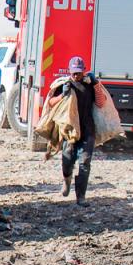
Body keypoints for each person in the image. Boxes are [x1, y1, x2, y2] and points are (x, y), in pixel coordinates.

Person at [48, 57, 100, 202]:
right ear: (69, 71)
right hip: (70, 131)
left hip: (87, 130)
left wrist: (96, 84)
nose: (76, 76)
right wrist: (61, 96)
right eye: (74, 73)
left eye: (79, 73)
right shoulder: (65, 84)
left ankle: (81, 196)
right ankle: (66, 180)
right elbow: (50, 103)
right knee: (67, 160)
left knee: (85, 163)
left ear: (84, 71)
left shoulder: (90, 86)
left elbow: (101, 103)